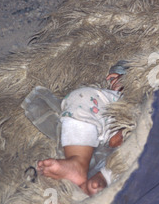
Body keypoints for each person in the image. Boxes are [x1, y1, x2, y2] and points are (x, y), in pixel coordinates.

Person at [36, 61, 128, 196]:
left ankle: (104, 178)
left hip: (152, 125)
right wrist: (125, 77)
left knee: (139, 154)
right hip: (117, 112)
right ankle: (77, 162)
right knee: (82, 97)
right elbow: (135, 67)